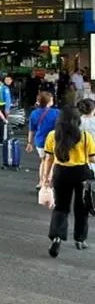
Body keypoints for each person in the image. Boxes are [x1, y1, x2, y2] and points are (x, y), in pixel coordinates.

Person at [42, 106, 95, 257]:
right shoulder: (85, 136)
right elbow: (92, 158)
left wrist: (46, 178)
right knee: (82, 208)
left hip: (61, 173)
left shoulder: (53, 135)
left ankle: (57, 237)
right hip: (81, 173)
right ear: (77, 120)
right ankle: (80, 239)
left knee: (61, 207)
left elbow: (49, 159)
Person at [26, 92, 59, 189]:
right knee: (52, 162)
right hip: (53, 140)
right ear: (50, 102)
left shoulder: (34, 113)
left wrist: (29, 143)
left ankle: (41, 182)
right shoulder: (56, 112)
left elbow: (31, 129)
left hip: (39, 141)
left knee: (43, 161)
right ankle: (48, 182)